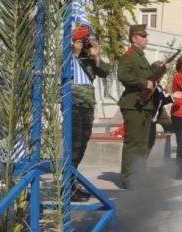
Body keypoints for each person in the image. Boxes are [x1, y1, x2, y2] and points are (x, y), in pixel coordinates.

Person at [117, 24, 166, 189]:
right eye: (143, 36)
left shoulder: (141, 57)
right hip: (133, 104)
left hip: (145, 106)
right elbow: (123, 76)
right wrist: (144, 82)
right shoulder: (129, 56)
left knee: (143, 143)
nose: (146, 38)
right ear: (134, 38)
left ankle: (138, 174)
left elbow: (149, 79)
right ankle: (128, 177)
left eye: (146, 35)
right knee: (133, 141)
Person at [70, 25, 110, 201]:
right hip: (73, 105)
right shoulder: (69, 57)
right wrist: (75, 53)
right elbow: (64, 73)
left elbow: (105, 72)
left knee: (81, 146)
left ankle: (71, 183)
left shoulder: (90, 59)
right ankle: (68, 186)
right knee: (73, 147)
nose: (88, 44)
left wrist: (96, 57)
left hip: (87, 106)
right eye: (85, 41)